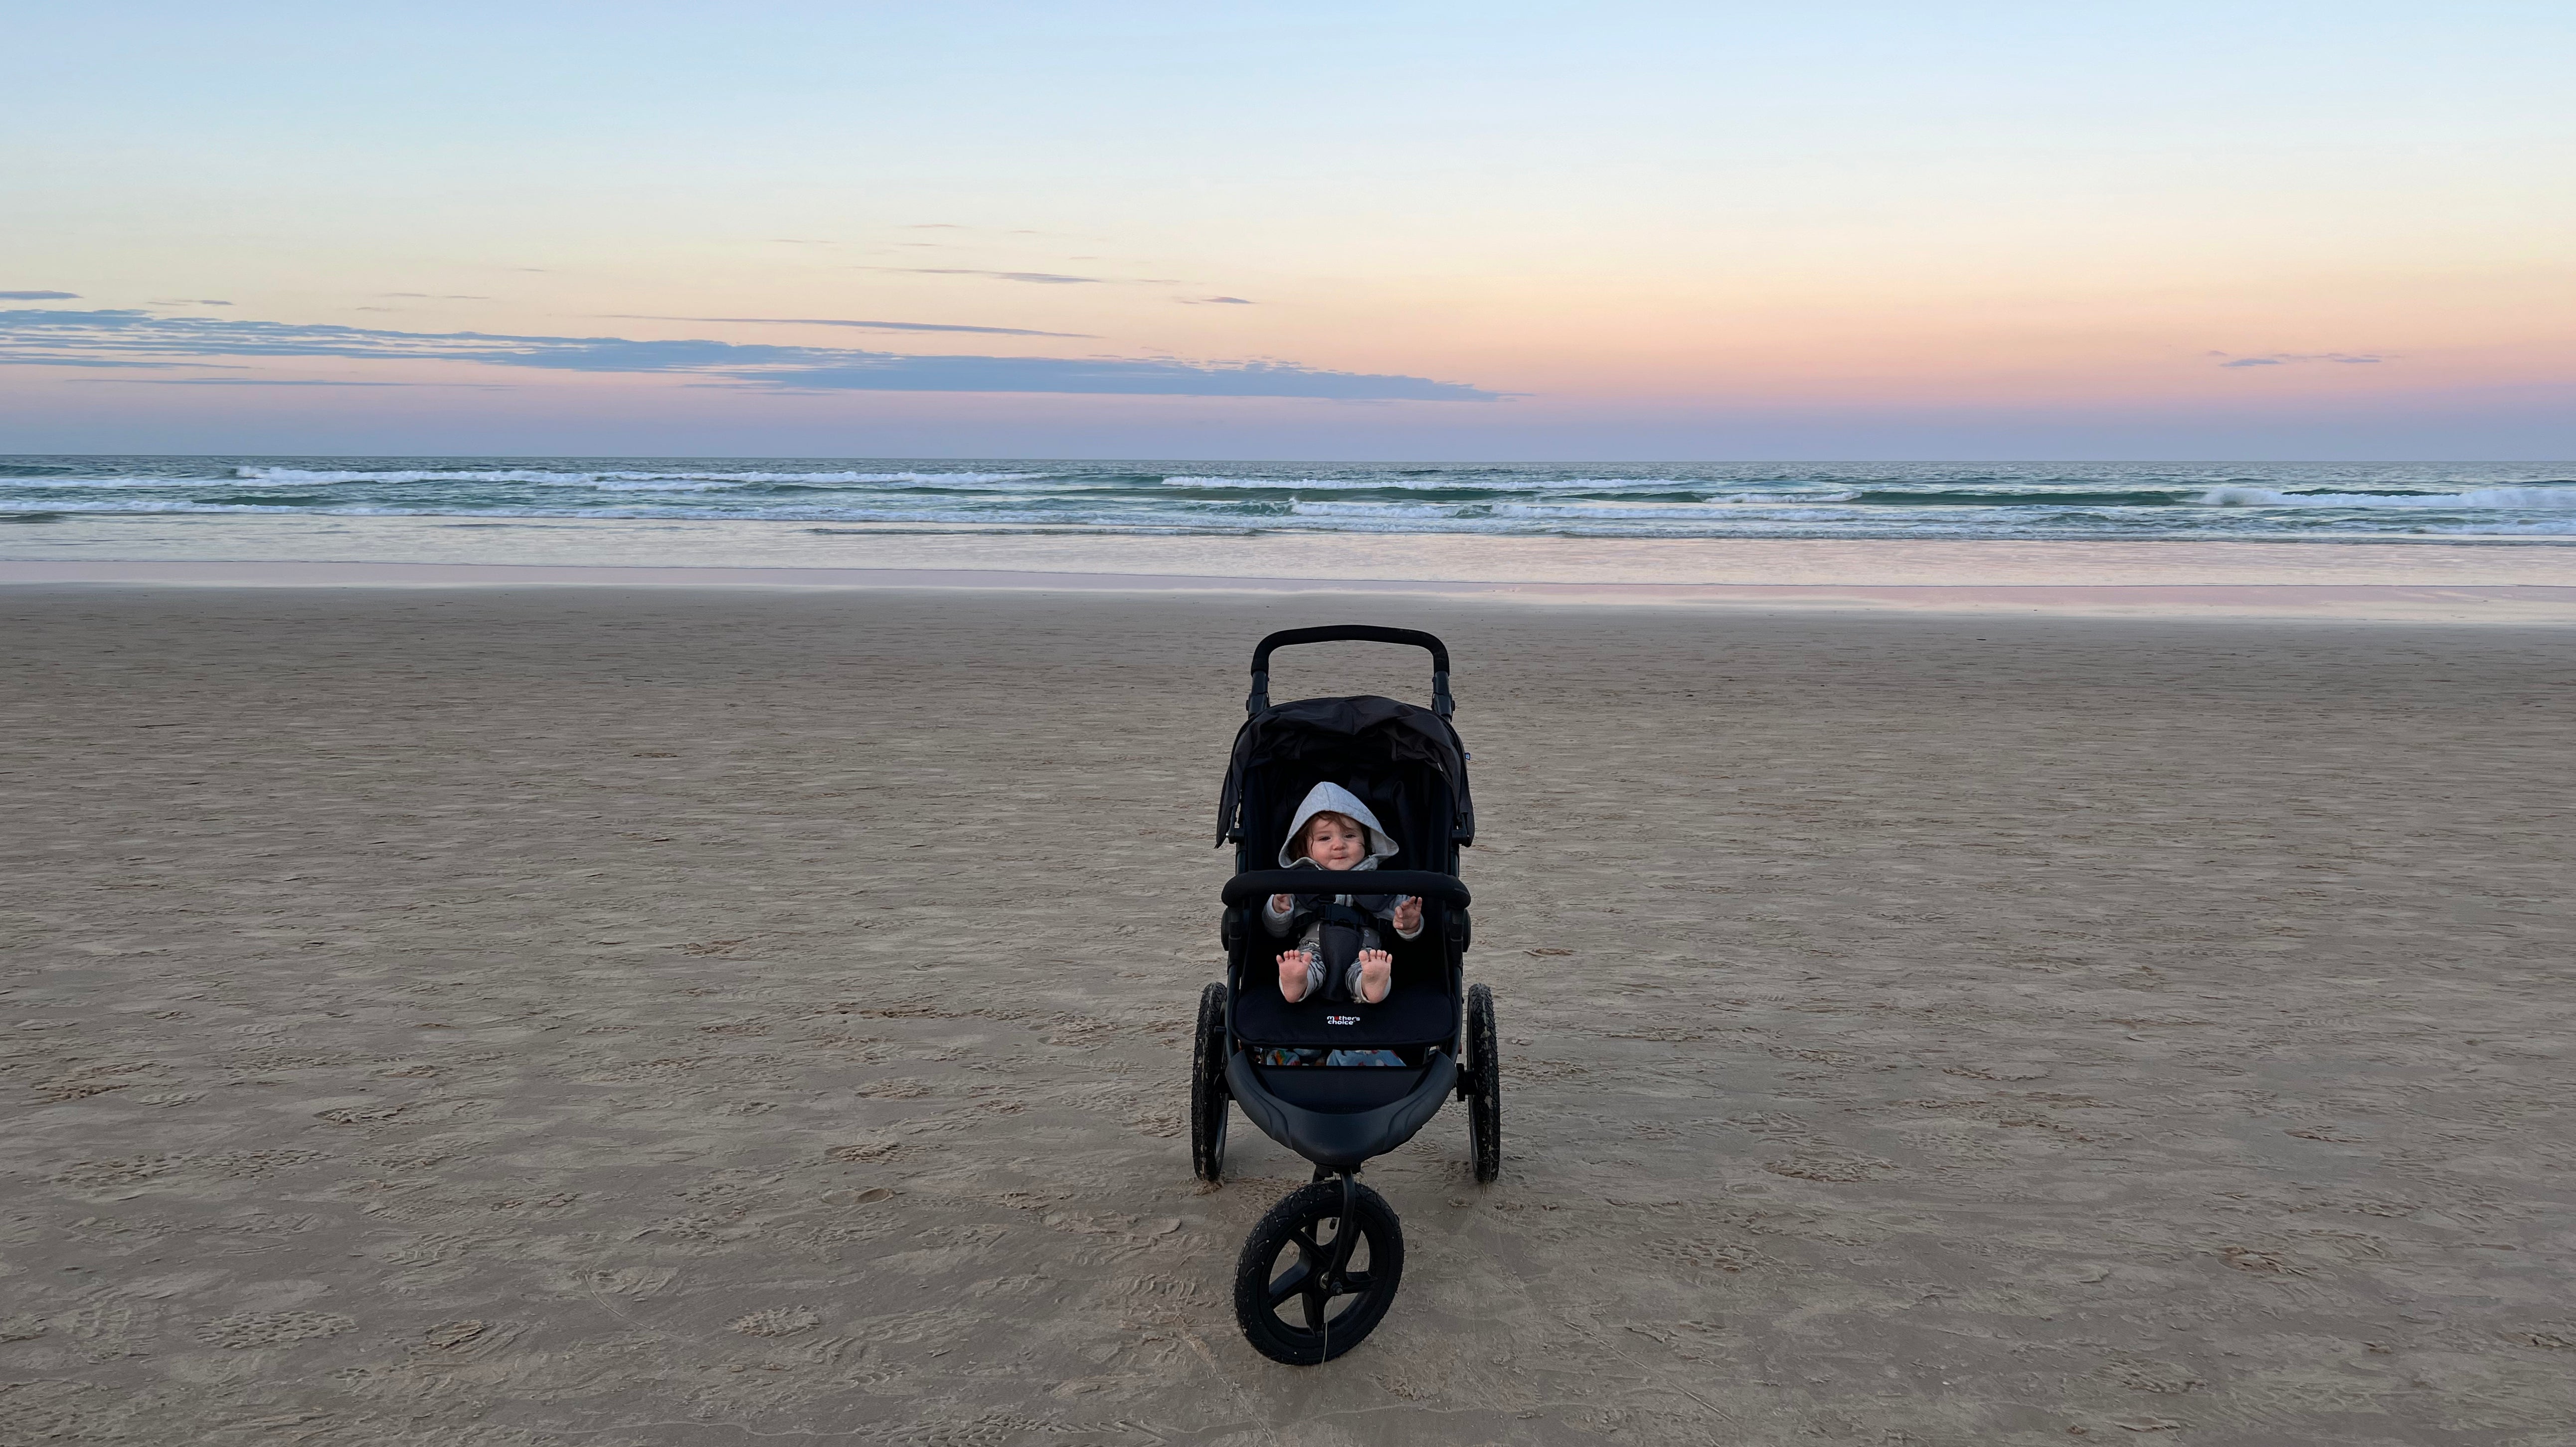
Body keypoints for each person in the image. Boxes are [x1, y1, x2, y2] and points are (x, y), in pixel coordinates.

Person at [1264, 782, 1423, 1006]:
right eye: (1324, 838)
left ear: (1367, 843)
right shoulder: (1300, 884)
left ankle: (1371, 985)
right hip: (1314, 949)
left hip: (1365, 953)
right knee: (1305, 965)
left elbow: (1408, 927)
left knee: (1368, 969)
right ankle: (1297, 982)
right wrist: (1278, 910)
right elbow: (1276, 931)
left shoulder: (1381, 884)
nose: (1339, 845)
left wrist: (1409, 923)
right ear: (1304, 849)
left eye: (1349, 836)